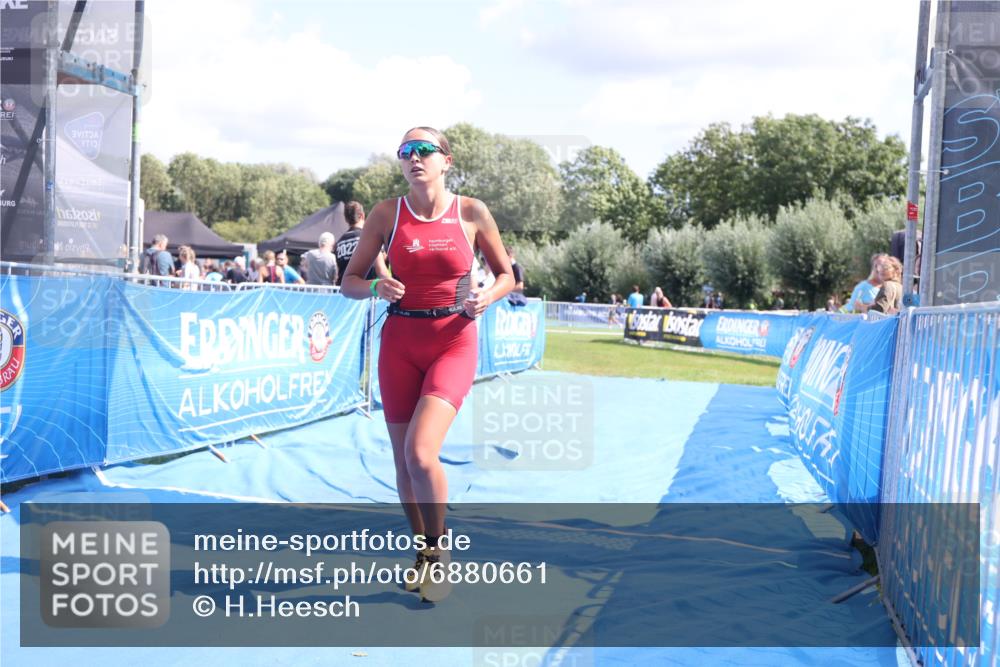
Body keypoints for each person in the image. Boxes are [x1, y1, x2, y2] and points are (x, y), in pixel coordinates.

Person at [339, 127, 513, 602]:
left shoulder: (471, 211)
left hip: (453, 340)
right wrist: (376, 287)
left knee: (420, 454)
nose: (414, 158)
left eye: (424, 150)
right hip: (399, 341)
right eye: (405, 152)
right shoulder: (385, 214)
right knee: (402, 462)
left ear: (446, 160)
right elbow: (349, 281)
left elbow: (506, 276)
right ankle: (423, 551)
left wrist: (485, 297)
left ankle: (439, 553)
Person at [335, 201, 389, 286]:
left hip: (343, 294)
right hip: (364, 293)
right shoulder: (369, 237)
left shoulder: (339, 243)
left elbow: (337, 272)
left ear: (346, 219)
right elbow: (381, 270)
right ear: (362, 215)